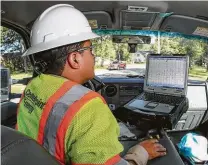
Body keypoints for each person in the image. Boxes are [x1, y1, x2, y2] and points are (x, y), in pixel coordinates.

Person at [16, 4, 166, 165]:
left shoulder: (33, 86)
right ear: (75, 59)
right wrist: (140, 153)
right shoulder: (88, 107)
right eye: (90, 49)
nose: (94, 56)